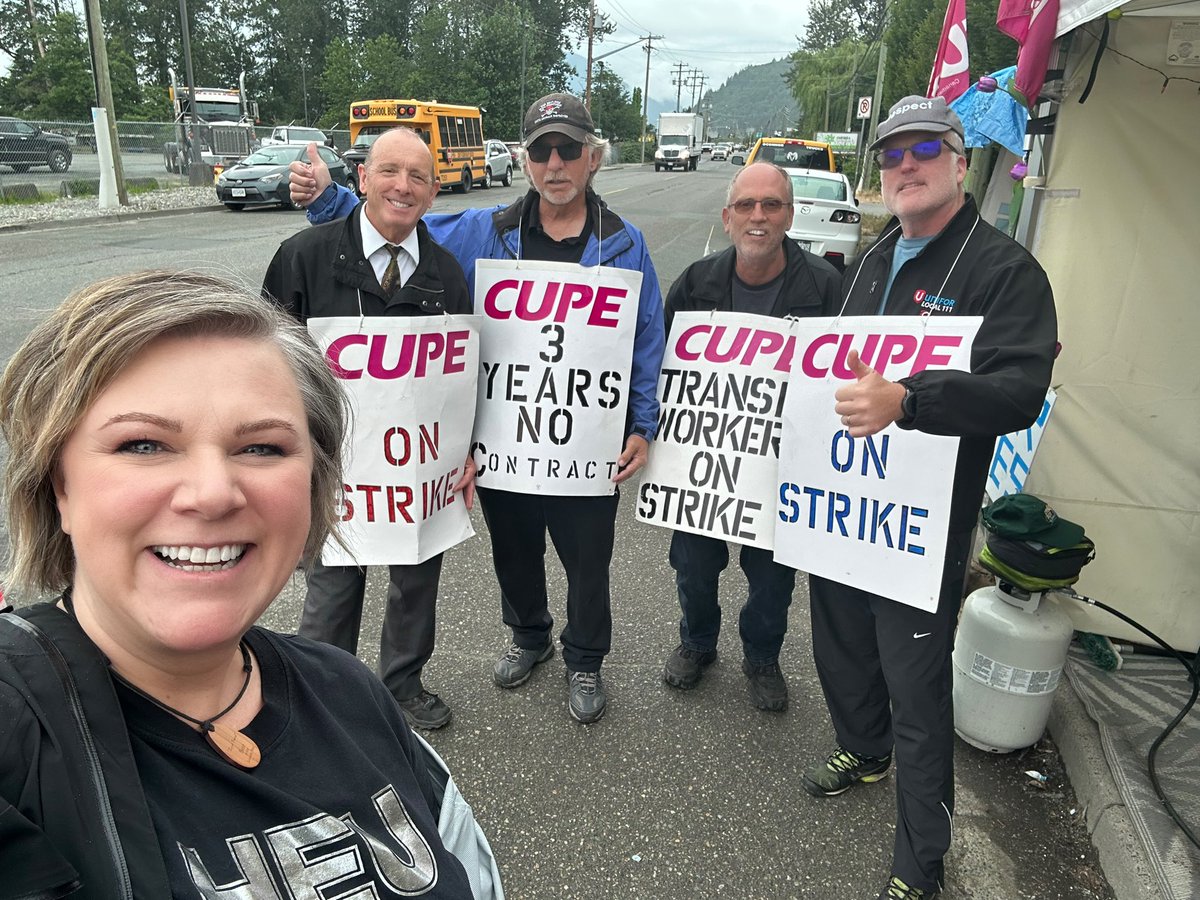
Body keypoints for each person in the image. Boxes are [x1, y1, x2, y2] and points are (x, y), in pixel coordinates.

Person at [0, 271, 480, 898]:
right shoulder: (16, 738)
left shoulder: (350, 689)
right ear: (58, 486)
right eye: (143, 444)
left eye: (261, 448)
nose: (213, 494)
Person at [288, 93, 666, 725]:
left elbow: (646, 336)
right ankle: (529, 637)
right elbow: (398, 221)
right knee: (513, 551)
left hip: (587, 442)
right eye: (541, 150)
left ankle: (585, 659)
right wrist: (330, 202)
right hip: (507, 442)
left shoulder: (624, 245)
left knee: (588, 560)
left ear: (591, 158)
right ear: (524, 158)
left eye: (567, 149)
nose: (554, 163)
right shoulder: (485, 231)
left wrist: (641, 422)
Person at [802, 96, 1058, 900]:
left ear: (958, 161)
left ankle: (921, 862)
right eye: (891, 155)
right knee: (840, 652)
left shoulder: (1001, 268)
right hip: (843, 512)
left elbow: (1018, 391)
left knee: (916, 690)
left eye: (923, 150)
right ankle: (863, 749)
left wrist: (910, 401)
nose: (905, 166)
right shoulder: (877, 255)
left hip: (921, 526)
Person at [263, 127, 474, 730]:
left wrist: (466, 451)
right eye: (389, 171)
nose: (402, 187)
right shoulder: (304, 258)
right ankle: (322, 692)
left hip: (417, 473)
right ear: (361, 179)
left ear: (433, 194)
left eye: (417, 177)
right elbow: (266, 364)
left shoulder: (446, 273)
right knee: (331, 588)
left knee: (416, 581)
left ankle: (402, 686)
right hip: (335, 472)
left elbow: (463, 378)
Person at [660, 162, 841, 711]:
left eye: (772, 205)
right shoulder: (696, 283)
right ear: (728, 216)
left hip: (783, 467)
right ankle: (697, 643)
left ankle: (762, 657)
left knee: (772, 582)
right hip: (705, 466)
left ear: (790, 214)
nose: (758, 216)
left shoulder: (825, 287)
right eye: (746, 206)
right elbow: (660, 367)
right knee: (693, 567)